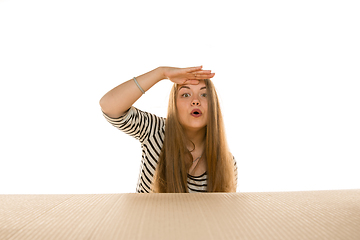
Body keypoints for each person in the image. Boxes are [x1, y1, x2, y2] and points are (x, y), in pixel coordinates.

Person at [100, 66, 237, 193]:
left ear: (214, 106)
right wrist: (161, 73)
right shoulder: (156, 130)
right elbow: (109, 106)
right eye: (186, 94)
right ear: (174, 105)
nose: (195, 101)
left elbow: (223, 215)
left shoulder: (228, 162)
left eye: (204, 95)